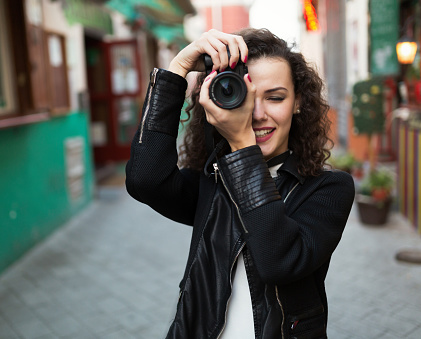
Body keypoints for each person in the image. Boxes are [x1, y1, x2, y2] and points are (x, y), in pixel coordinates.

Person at [125, 28, 355, 339]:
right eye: (244, 97)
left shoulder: (329, 189)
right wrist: (176, 69)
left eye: (275, 97)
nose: (257, 114)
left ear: (298, 102)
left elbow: (279, 261)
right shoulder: (214, 181)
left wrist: (242, 144)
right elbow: (145, 180)